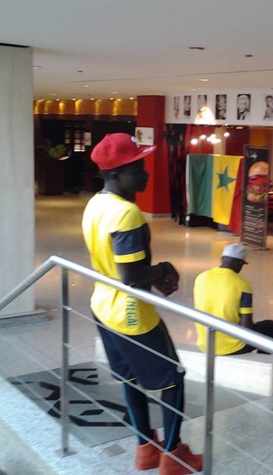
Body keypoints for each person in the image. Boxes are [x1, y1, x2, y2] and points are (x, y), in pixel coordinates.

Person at [82, 133, 202, 475]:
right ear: (116, 174)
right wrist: (163, 269)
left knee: (129, 378)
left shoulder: (96, 204)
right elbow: (132, 275)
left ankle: (145, 449)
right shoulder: (127, 214)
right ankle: (173, 455)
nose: (146, 174)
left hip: (103, 304)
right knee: (172, 379)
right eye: (138, 168)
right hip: (131, 312)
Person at [194, 243, 273, 355]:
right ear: (239, 263)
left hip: (205, 343)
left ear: (222, 258)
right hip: (232, 347)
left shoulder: (201, 277)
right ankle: (265, 361)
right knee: (271, 327)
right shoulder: (242, 284)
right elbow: (246, 328)